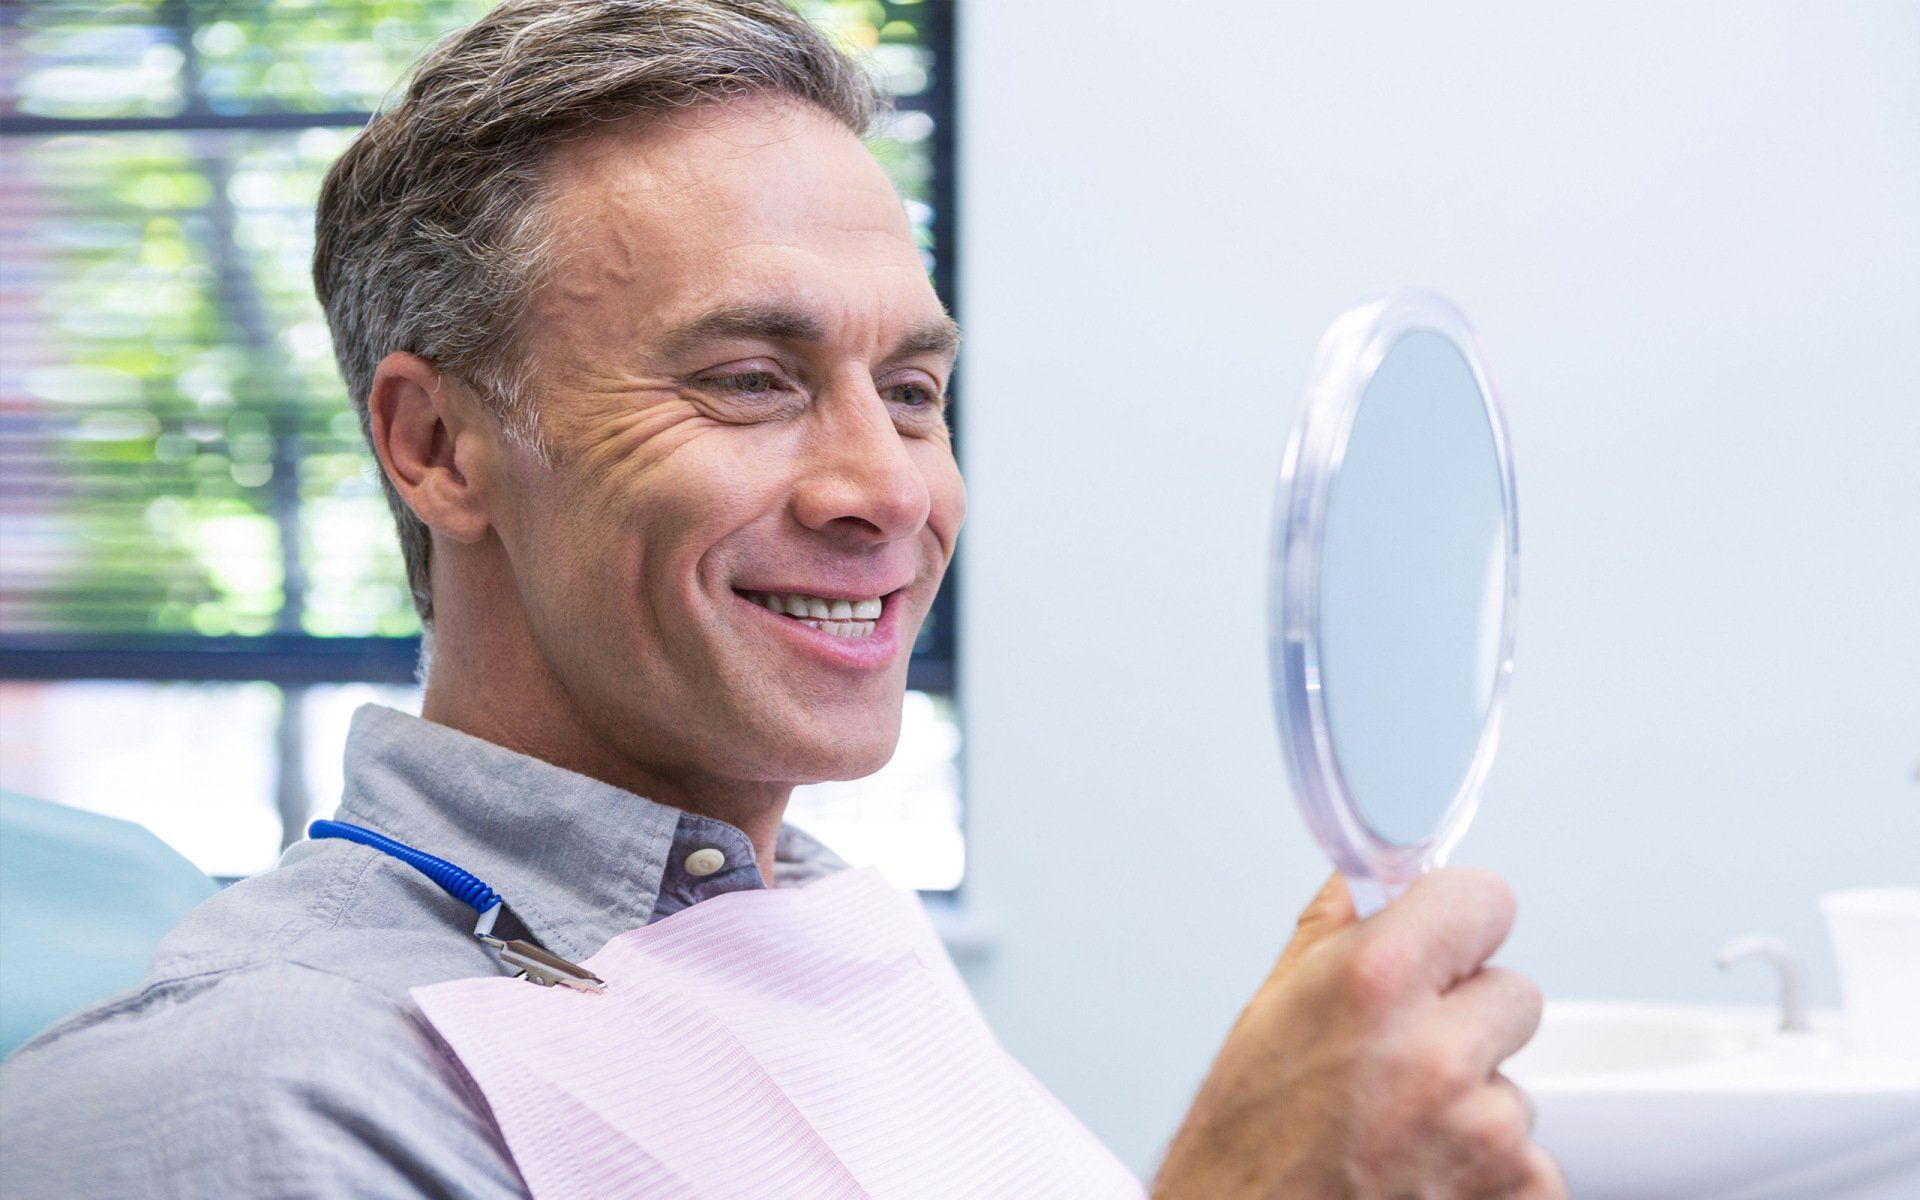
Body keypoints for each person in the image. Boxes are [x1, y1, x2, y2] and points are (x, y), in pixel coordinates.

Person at [0, 2, 1565, 1196]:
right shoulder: (239, 1095)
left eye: (910, 389)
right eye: (750, 380)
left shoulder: (824, 957)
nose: (884, 488)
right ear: (437, 447)